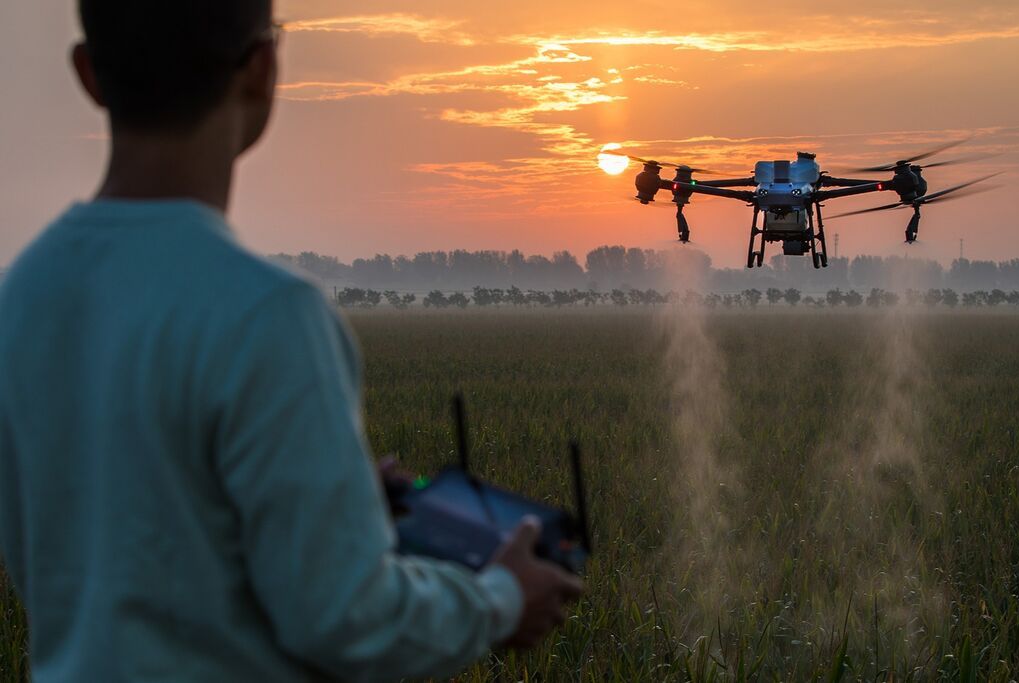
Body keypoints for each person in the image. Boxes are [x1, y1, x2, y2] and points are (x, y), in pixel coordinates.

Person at [0, 1, 583, 681]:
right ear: (263, 69)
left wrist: (318, 498)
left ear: (88, 74)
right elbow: (346, 620)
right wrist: (500, 599)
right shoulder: (269, 315)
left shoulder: (21, 297)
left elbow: (116, 549)